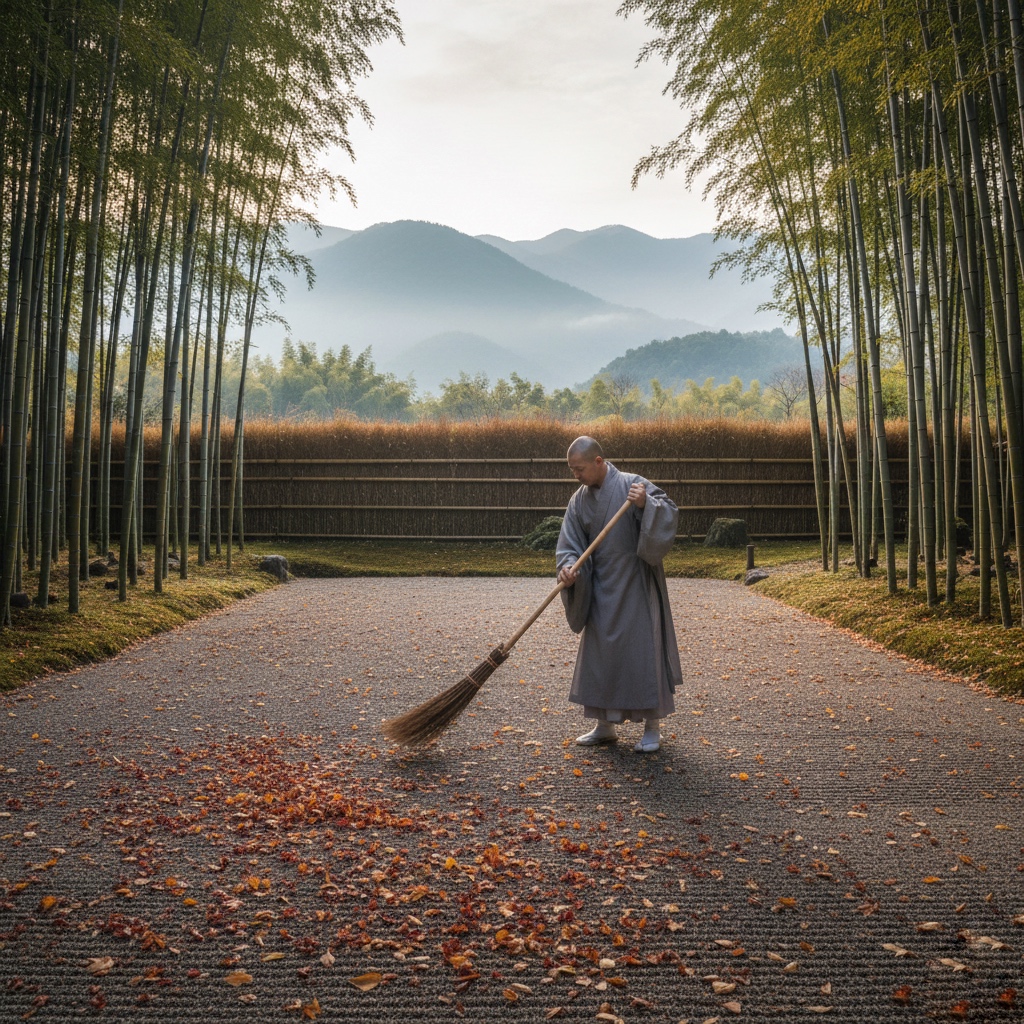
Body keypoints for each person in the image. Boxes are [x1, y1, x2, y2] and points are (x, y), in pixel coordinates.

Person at [555, 436, 682, 752]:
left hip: (635, 583)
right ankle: (604, 725)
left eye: (580, 469)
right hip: (597, 586)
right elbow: (570, 543)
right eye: (572, 470)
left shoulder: (632, 485)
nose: (577, 476)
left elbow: (667, 511)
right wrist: (569, 569)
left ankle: (652, 727)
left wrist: (644, 505)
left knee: (642, 653)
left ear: (598, 462)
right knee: (602, 658)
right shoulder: (579, 500)